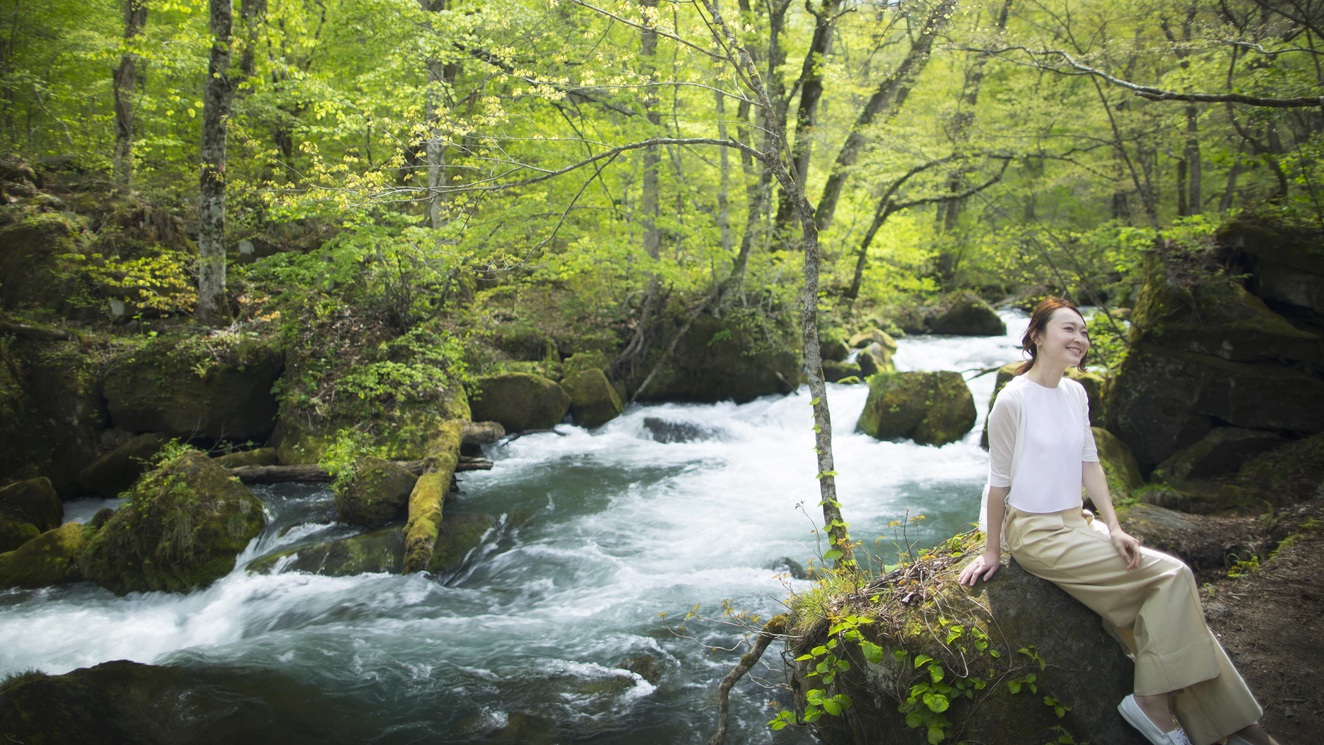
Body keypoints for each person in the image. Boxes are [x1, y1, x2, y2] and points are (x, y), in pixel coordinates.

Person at [956, 297, 1280, 745]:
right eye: (1069, 329)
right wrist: (992, 549)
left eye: (1084, 332)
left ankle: (1236, 728)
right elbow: (997, 484)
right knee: (1173, 575)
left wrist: (1114, 526)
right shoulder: (1013, 400)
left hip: (1077, 522)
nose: (1080, 339)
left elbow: (1091, 464)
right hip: (1036, 532)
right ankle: (1153, 705)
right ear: (1037, 336)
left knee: (1164, 615)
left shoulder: (1075, 393)